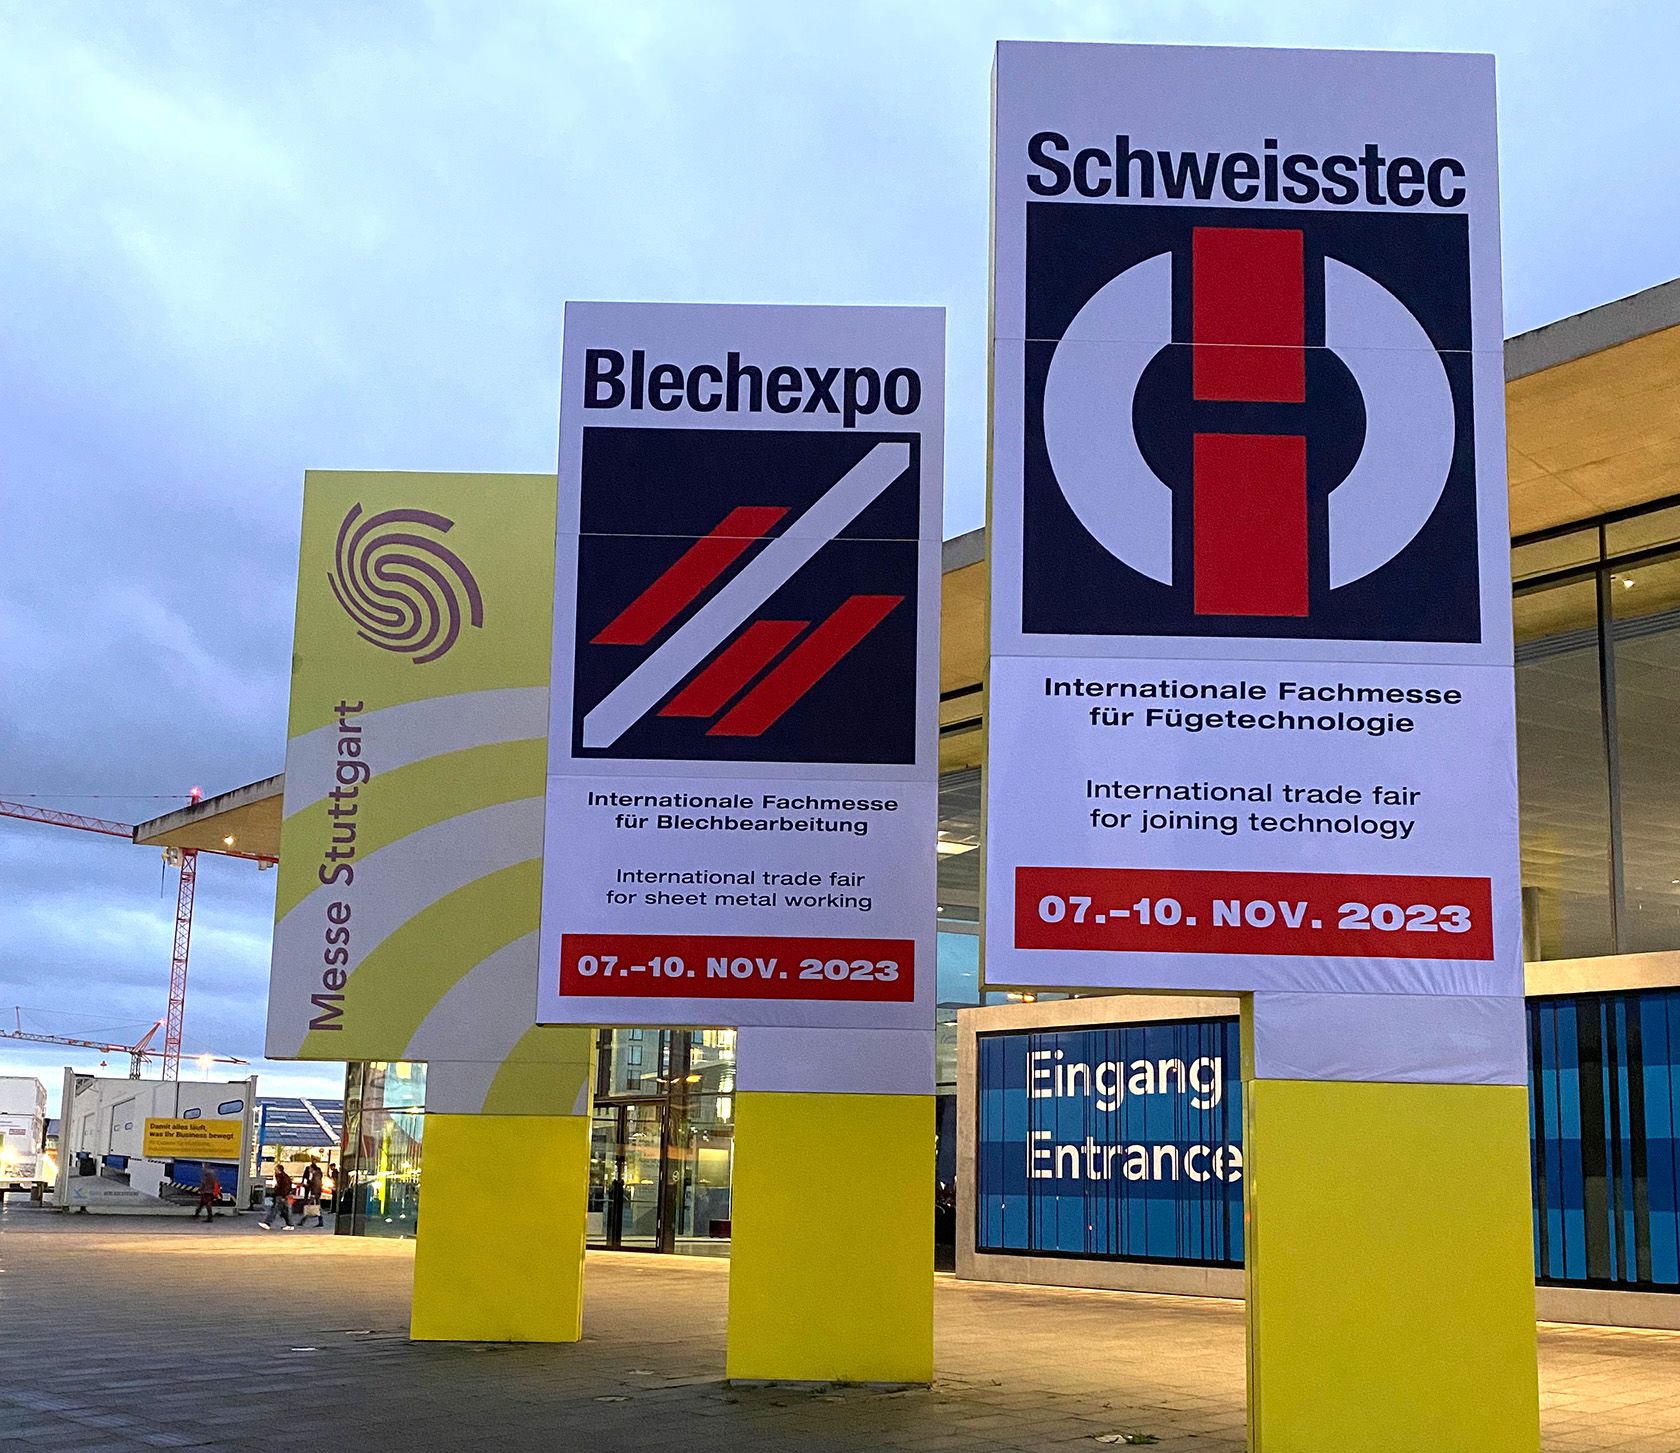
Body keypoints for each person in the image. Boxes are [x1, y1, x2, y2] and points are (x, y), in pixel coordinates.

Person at [260, 1163, 294, 1230]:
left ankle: (267, 1223)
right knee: (284, 1211)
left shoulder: (283, 1177)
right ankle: (290, 1224)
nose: (274, 1170)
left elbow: (286, 1187)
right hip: (281, 1195)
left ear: (279, 1170)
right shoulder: (281, 1176)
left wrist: (283, 1195)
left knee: (275, 1210)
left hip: (281, 1196)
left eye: (275, 1169)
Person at [300, 1157, 325, 1228]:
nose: (309, 1169)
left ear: (312, 1169)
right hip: (316, 1193)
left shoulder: (316, 1175)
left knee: (309, 1206)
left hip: (315, 1193)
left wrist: (314, 1193)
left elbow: (316, 1185)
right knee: (317, 1207)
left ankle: (303, 1220)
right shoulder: (316, 1174)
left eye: (310, 1168)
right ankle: (320, 1221)